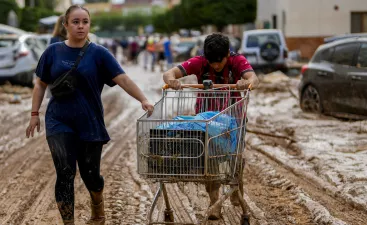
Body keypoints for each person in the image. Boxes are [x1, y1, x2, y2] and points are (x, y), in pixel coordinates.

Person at [25, 5, 154, 225]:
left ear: (89, 24)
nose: (81, 26)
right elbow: (40, 84)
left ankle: (97, 207)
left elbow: (122, 79)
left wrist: (143, 99)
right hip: (59, 120)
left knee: (91, 175)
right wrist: (34, 113)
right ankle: (69, 222)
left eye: (85, 21)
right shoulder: (52, 52)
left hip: (90, 121)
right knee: (65, 172)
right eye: (75, 22)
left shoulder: (99, 53)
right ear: (65, 25)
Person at [162, 33, 259, 220]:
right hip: (206, 122)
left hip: (233, 119)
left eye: (219, 62)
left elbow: (254, 78)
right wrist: (171, 80)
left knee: (235, 159)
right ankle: (214, 203)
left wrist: (246, 82)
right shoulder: (199, 62)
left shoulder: (237, 61)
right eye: (211, 62)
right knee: (210, 160)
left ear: (227, 56)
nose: (215, 65)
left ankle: (237, 183)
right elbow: (169, 73)